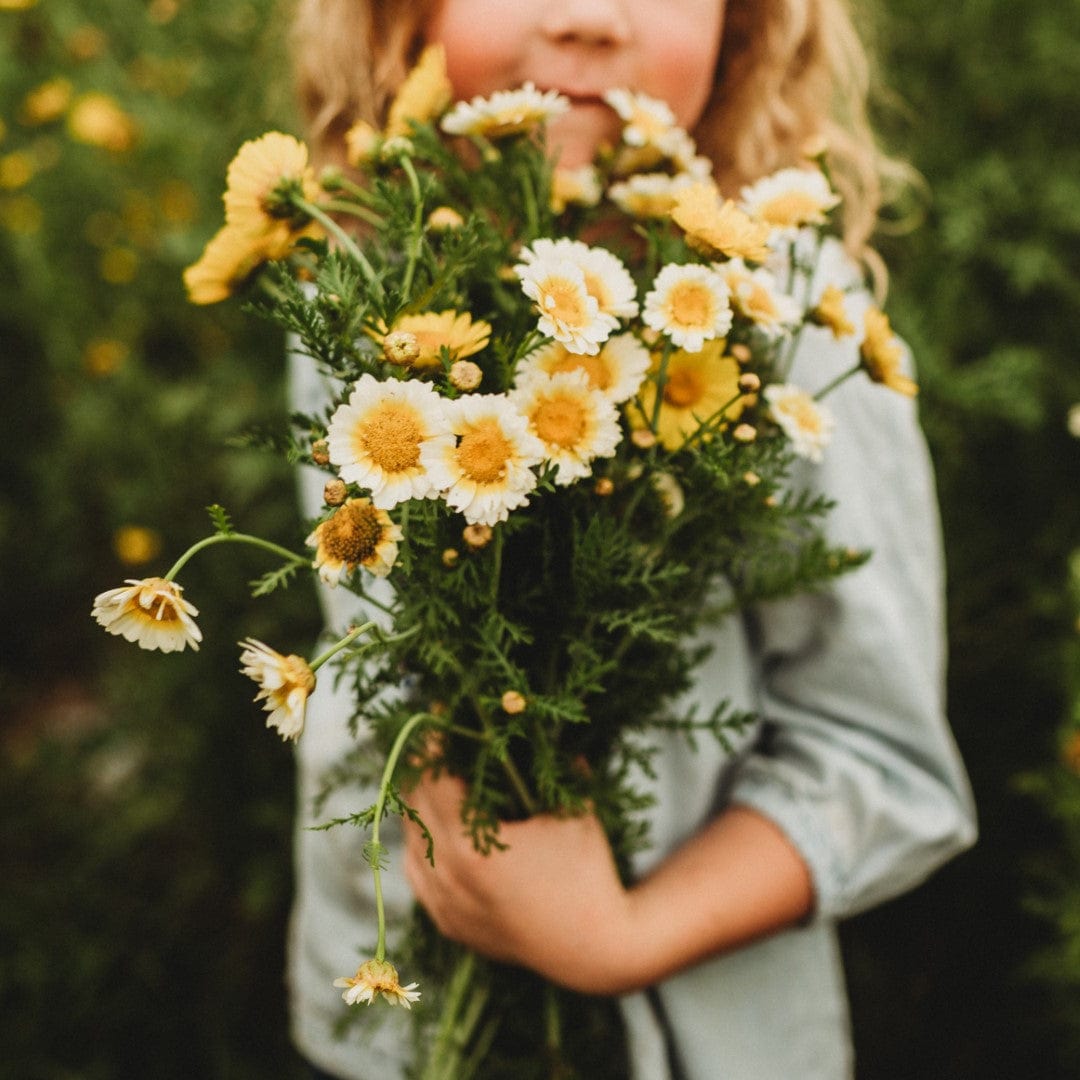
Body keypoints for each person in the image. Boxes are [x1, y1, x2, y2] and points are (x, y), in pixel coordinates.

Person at [286, 2, 978, 1078]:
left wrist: (616, 942)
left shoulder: (789, 322)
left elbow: (881, 763)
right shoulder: (357, 280)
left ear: (748, 23)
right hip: (390, 1020)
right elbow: (358, 625)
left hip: (683, 1036)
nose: (589, 17)